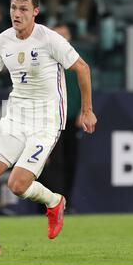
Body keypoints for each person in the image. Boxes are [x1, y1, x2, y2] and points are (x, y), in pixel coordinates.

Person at [0, 0, 97, 255]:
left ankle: (55, 202)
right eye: (13, 8)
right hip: (16, 116)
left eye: (23, 9)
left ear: (35, 12)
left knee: (17, 185)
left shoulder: (50, 39)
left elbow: (82, 68)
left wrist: (87, 110)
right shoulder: (3, 40)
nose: (17, 14)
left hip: (46, 120)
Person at [39, 24, 82, 213]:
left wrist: (84, 110)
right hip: (52, 119)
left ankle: (67, 202)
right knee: (52, 163)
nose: (63, 39)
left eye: (65, 35)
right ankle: (52, 203)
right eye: (59, 35)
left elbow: (84, 85)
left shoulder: (75, 61)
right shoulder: (46, 59)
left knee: (71, 161)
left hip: (71, 117)